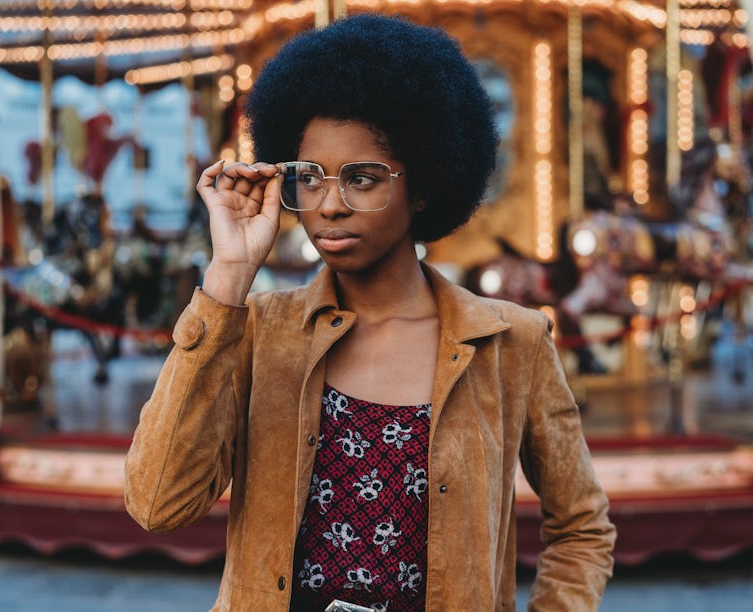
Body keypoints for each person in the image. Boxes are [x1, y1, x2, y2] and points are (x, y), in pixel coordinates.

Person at [125, 14, 615, 611]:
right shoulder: (257, 331)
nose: (329, 205)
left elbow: (582, 529)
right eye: (309, 179)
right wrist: (227, 276)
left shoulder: (512, 344)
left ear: (426, 185)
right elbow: (157, 503)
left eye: (362, 179)